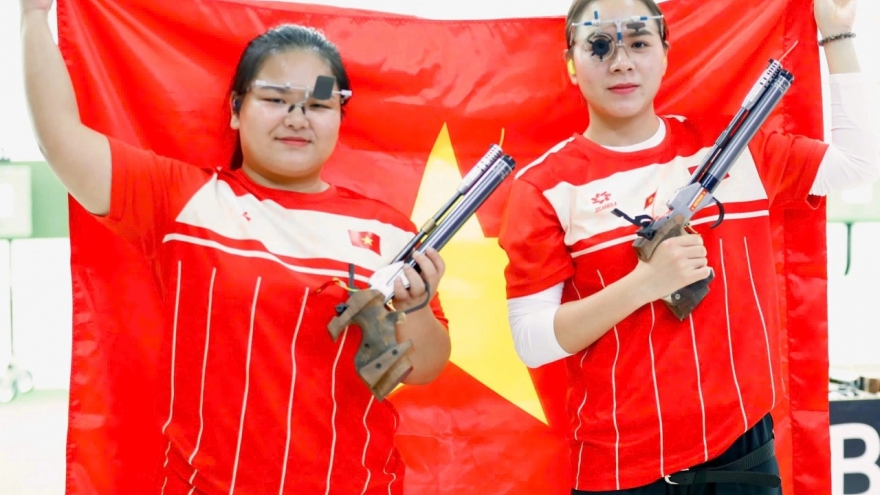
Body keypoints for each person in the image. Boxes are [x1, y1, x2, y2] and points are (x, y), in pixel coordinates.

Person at [20, 0, 452, 492]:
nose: (297, 118)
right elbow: (61, 139)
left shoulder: (387, 231)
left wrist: (415, 307)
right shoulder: (183, 199)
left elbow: (422, 369)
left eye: (318, 104)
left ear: (339, 116)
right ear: (235, 109)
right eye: (275, 99)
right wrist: (32, 17)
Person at [498, 0, 879, 493]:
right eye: (599, 45)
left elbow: (857, 164)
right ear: (572, 63)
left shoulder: (735, 149)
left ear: (665, 54)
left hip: (744, 454)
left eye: (639, 42)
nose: (621, 62)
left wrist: (837, 36)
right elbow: (532, 340)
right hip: (619, 468)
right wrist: (644, 285)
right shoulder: (545, 187)